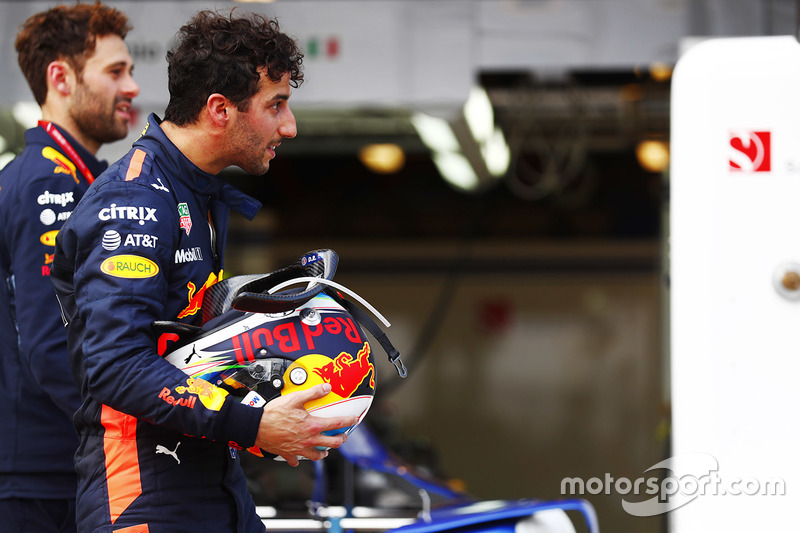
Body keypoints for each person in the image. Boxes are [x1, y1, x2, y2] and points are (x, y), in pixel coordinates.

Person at [50, 9, 356, 533]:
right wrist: (255, 423)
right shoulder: (136, 200)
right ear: (219, 110)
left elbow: (190, 348)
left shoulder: (198, 191)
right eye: (276, 105)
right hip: (142, 488)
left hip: (209, 475)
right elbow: (115, 365)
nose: (290, 126)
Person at [0, 4, 139, 532]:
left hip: (49, 467)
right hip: (40, 477)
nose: (131, 86)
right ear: (61, 77)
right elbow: (53, 342)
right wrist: (148, 417)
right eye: (115, 71)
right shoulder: (47, 183)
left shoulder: (74, 178)